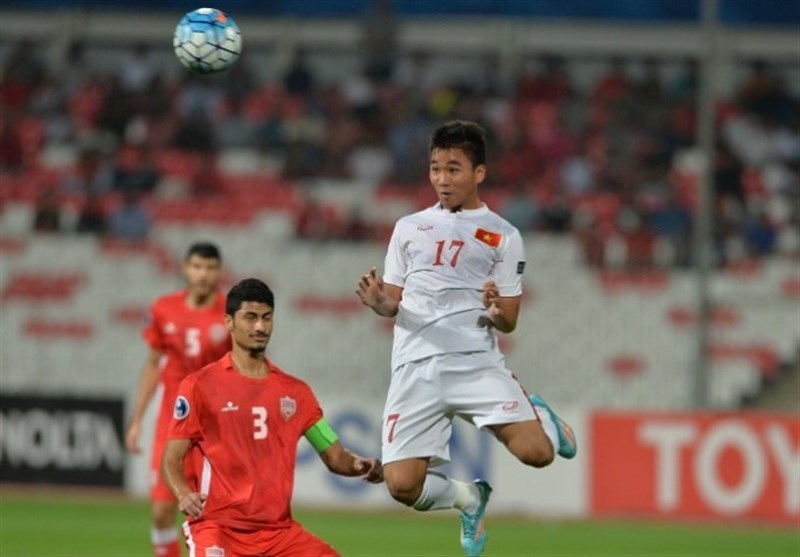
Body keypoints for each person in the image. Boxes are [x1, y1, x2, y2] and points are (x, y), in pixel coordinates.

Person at [356, 120, 577, 557]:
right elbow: (392, 302)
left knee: (538, 454)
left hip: (475, 361)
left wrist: (496, 309)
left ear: (479, 173)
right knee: (402, 486)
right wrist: (379, 301)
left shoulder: (503, 235)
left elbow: (509, 321)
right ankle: (470, 499)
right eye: (435, 168)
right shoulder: (408, 227)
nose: (442, 179)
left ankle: (542, 416)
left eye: (453, 169)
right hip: (414, 367)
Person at [162, 278, 383, 556]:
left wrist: (361, 465)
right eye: (250, 317)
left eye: (267, 318)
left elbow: (336, 457)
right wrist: (184, 494)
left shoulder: (297, 393)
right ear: (229, 322)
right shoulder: (199, 386)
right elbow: (171, 459)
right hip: (218, 527)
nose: (260, 326)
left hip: (279, 534)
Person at [125, 242, 231, 557]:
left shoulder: (230, 314)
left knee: (211, 515)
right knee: (161, 511)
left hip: (214, 428)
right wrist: (137, 419)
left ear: (219, 272)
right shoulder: (163, 308)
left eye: (210, 268)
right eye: (197, 266)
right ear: (185, 268)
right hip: (171, 424)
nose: (203, 274)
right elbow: (152, 364)